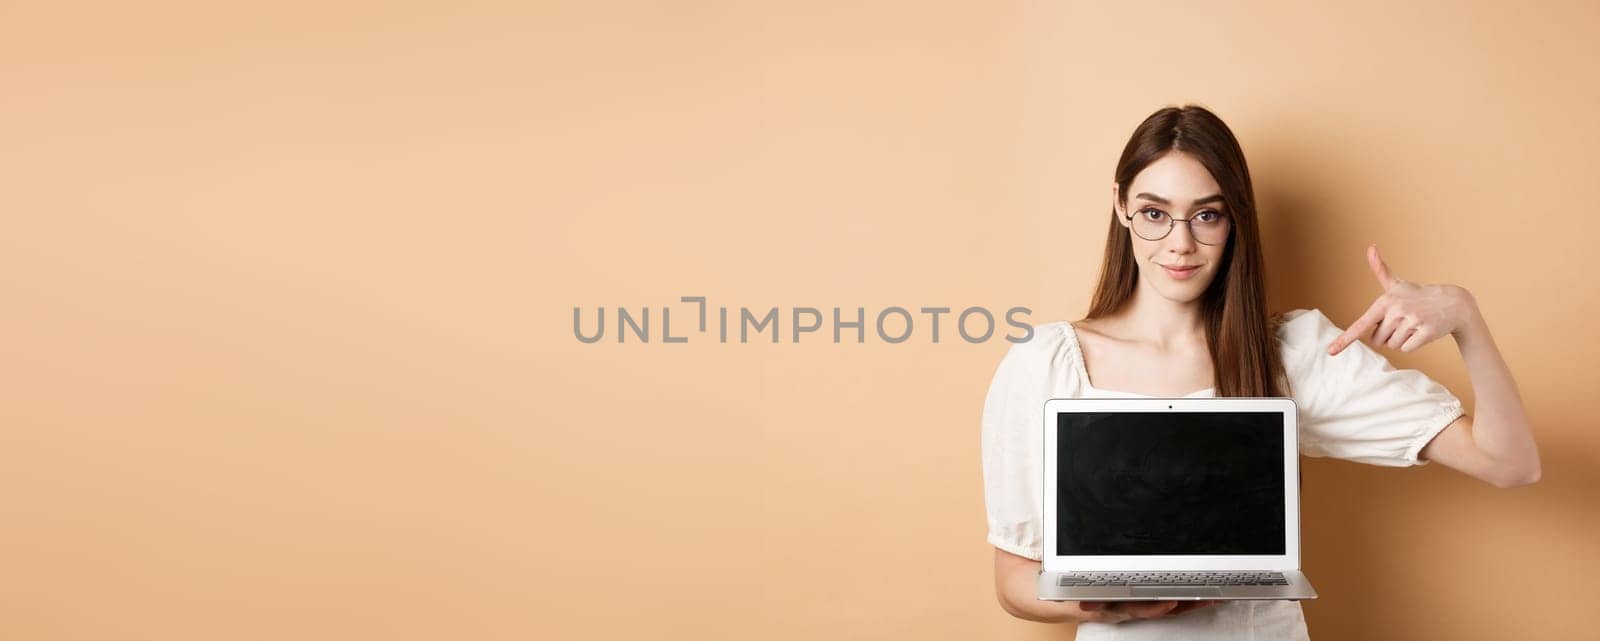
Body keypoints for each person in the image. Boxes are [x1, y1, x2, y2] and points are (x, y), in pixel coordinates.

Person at [980, 104, 1542, 640]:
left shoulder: (1292, 354)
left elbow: (1509, 463)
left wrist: (1466, 316)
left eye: (1207, 215)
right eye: (1155, 213)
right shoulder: (1044, 361)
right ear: (1121, 205)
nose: (1181, 243)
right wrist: (1114, 605)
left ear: (1234, 220)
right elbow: (1013, 580)